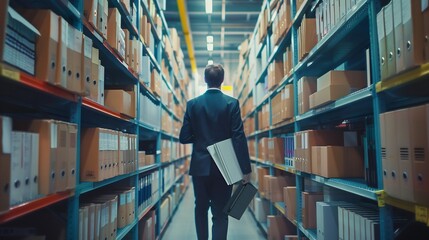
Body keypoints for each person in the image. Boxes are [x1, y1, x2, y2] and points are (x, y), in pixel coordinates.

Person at [179, 64, 251, 240]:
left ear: (205, 80)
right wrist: (245, 169)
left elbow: (184, 137)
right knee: (220, 213)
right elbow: (238, 138)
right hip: (224, 165)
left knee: (200, 209)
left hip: (200, 166)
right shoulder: (231, 104)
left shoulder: (193, 104)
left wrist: (201, 138)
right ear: (222, 80)